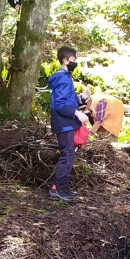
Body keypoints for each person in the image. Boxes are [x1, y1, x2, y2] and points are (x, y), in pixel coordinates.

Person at [48, 46, 90, 201]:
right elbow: (60, 104)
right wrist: (77, 113)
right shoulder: (62, 78)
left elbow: (68, 101)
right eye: (73, 60)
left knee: (69, 155)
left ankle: (63, 187)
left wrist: (82, 98)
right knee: (67, 155)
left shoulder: (65, 77)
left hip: (66, 123)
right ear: (65, 60)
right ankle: (57, 188)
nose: (75, 62)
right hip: (64, 123)